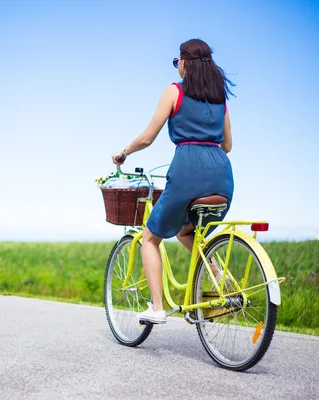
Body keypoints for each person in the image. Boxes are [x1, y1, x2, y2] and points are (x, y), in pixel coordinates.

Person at [111, 38, 235, 324]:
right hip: (222, 176)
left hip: (186, 172)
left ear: (185, 62)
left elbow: (147, 137)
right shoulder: (220, 99)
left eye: (177, 60)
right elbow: (227, 145)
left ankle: (156, 308)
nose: (176, 65)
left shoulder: (174, 91)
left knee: (150, 238)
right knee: (186, 231)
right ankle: (219, 275)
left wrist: (124, 152)